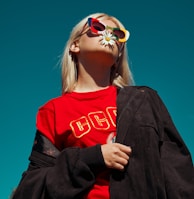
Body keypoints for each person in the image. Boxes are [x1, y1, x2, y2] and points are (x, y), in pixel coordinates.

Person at [13, 12, 194, 199]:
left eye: (118, 34)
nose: (109, 36)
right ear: (75, 45)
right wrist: (93, 158)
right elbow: (32, 188)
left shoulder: (143, 100)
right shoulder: (53, 110)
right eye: (98, 27)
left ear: (119, 56)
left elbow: (178, 171)